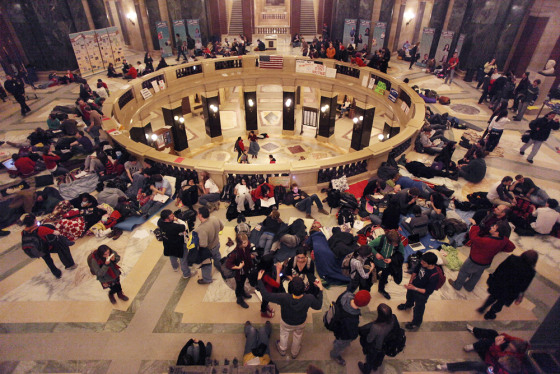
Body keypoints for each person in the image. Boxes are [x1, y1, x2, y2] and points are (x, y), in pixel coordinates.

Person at [257, 269, 323, 359]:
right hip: (300, 322)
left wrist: (259, 280)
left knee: (284, 334)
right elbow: (318, 306)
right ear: (303, 288)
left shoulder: (284, 297)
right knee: (298, 336)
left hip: (286, 321)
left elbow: (266, 295)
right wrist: (321, 289)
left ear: (290, 287)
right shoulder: (309, 298)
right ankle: (294, 352)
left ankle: (282, 349)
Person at [448, 222, 514, 292]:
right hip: (486, 262)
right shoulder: (504, 239)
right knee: (477, 275)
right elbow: (511, 247)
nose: (491, 227)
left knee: (464, 272)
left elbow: (473, 238)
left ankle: (457, 285)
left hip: (474, 261)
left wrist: (475, 226)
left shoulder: (486, 241)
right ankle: (469, 287)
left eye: (493, 227)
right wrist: (500, 248)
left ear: (497, 233)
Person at [436, 326, 529, 373]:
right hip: (494, 361)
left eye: (510, 348)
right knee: (493, 334)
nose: (508, 346)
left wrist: (496, 345)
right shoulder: (520, 344)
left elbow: (496, 356)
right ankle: (475, 331)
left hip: (492, 361)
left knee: (475, 364)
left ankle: (448, 367)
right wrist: (501, 337)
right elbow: (507, 337)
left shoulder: (503, 366)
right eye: (510, 345)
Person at [478, 250, 538, 320]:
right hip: (510, 292)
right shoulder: (531, 272)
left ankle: (483, 308)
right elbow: (524, 286)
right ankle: (490, 314)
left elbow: (500, 268)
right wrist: (520, 295)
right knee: (500, 303)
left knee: (492, 297)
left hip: (499, 283)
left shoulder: (512, 258)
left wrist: (494, 277)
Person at [22, 214, 77, 279]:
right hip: (46, 247)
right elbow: (56, 233)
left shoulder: (23, 232)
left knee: (48, 260)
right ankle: (70, 264)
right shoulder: (41, 229)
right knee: (61, 244)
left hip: (37, 250)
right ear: (34, 221)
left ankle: (56, 273)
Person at [398, 252, 440, 330]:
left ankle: (416, 323)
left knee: (418, 308)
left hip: (422, 294)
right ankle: (408, 305)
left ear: (430, 264)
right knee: (409, 296)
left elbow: (427, 291)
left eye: (423, 262)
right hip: (414, 285)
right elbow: (415, 271)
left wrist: (414, 288)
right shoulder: (422, 264)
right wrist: (410, 282)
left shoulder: (434, 276)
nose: (421, 263)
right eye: (421, 261)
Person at [330, 290, 371, 366]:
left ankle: (336, 342)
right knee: (340, 344)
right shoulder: (352, 319)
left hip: (336, 323)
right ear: (363, 305)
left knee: (338, 339)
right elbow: (351, 334)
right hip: (342, 333)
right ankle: (334, 354)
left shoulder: (346, 294)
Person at [358, 303, 397, 373]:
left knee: (370, 359)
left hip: (377, 347)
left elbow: (369, 340)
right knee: (380, 357)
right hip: (386, 344)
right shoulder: (393, 318)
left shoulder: (376, 327)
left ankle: (366, 370)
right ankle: (376, 366)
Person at [369, 230, 404, 300]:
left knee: (384, 277)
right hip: (377, 263)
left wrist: (392, 259)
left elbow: (401, 255)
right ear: (389, 241)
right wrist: (376, 253)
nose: (397, 245)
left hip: (388, 266)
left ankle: (381, 289)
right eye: (395, 244)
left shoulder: (399, 244)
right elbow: (369, 246)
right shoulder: (380, 240)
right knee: (372, 277)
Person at [158, 209, 192, 278]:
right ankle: (186, 274)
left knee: (172, 255)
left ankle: (175, 267)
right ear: (167, 219)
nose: (173, 216)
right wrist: (177, 220)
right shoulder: (174, 226)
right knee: (183, 259)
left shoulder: (160, 222)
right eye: (171, 216)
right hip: (178, 245)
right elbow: (184, 226)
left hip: (168, 244)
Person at [194, 206, 224, 284]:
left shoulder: (201, 229)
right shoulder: (214, 218)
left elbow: (203, 244)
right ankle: (220, 267)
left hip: (208, 249)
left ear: (200, 215)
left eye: (198, 213)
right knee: (217, 256)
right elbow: (222, 227)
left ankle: (207, 279)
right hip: (217, 243)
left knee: (206, 265)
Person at [225, 233, 254, 308]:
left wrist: (250, 256)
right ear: (239, 243)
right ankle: (239, 298)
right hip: (239, 272)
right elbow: (228, 264)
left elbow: (247, 253)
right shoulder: (235, 253)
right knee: (239, 285)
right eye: (244, 243)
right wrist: (238, 267)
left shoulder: (247, 245)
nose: (247, 243)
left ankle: (243, 292)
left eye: (247, 241)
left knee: (243, 282)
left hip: (246, 269)